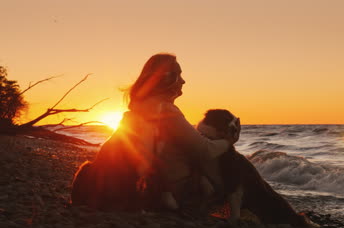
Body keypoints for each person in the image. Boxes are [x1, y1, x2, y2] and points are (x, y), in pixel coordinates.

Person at [71, 53, 239, 211]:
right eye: (178, 75)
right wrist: (229, 141)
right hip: (163, 193)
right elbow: (205, 150)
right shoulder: (165, 110)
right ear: (166, 78)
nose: (183, 81)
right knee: (226, 156)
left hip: (137, 189)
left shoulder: (138, 108)